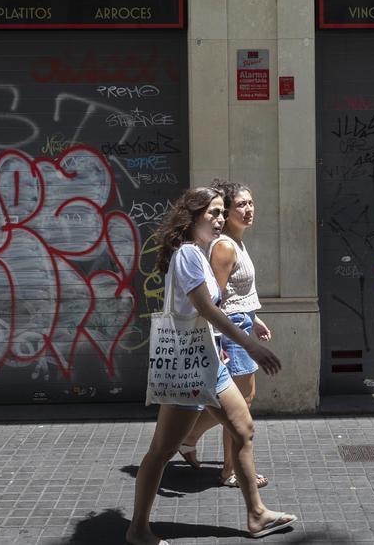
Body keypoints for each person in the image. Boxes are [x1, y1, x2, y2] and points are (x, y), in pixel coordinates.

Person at [126, 186, 298, 545]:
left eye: (222, 213)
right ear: (192, 218)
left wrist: (219, 345)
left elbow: (203, 316)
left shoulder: (200, 253)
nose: (221, 220)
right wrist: (249, 343)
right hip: (188, 367)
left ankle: (256, 513)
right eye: (213, 214)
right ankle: (138, 528)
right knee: (161, 451)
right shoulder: (189, 254)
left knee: (243, 428)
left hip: (209, 360)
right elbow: (205, 309)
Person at [177, 181, 271, 488]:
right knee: (241, 402)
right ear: (226, 212)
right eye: (240, 205)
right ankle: (230, 470)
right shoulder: (225, 246)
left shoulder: (237, 242)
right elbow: (213, 299)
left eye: (251, 203)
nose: (248, 209)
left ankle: (190, 437)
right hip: (231, 330)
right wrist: (218, 341)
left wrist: (254, 320)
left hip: (242, 323)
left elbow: (236, 292)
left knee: (241, 400)